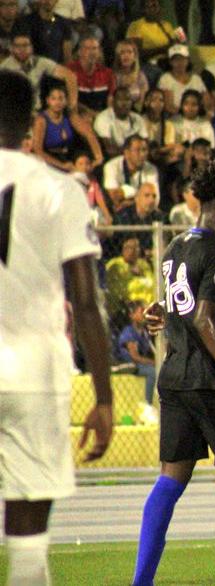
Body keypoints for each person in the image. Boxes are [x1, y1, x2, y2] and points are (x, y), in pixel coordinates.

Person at [131, 160, 215, 586]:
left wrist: (161, 310)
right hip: (209, 379)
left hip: (173, 377)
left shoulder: (174, 248)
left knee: (170, 480)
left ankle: (141, 581)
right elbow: (205, 321)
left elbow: (179, 303)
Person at [0, 69, 113, 585]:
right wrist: (105, 398)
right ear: (30, 123)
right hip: (34, 370)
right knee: (27, 526)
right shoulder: (60, 189)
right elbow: (86, 304)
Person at [118, 300, 159, 424]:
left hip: (138, 365)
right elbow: (134, 356)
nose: (144, 315)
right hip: (128, 364)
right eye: (141, 312)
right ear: (132, 315)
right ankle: (147, 405)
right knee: (152, 372)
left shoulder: (145, 332)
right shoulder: (129, 332)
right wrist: (154, 363)